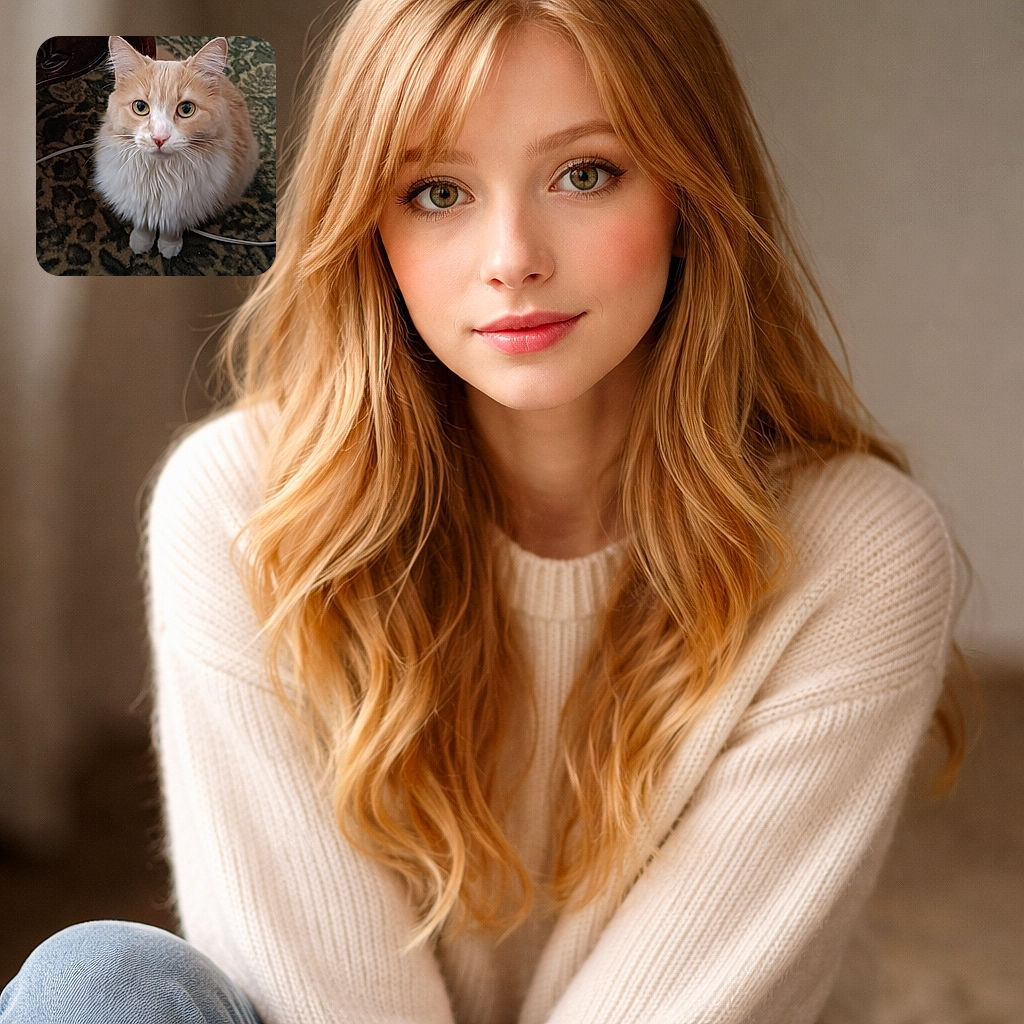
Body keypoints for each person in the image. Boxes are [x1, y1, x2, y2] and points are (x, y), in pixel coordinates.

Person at [1, 0, 964, 1021]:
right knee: (94, 987)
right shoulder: (242, 506)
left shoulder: (854, 550)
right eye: (437, 190)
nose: (512, 256)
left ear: (690, 192)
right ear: (370, 226)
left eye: (584, 173)